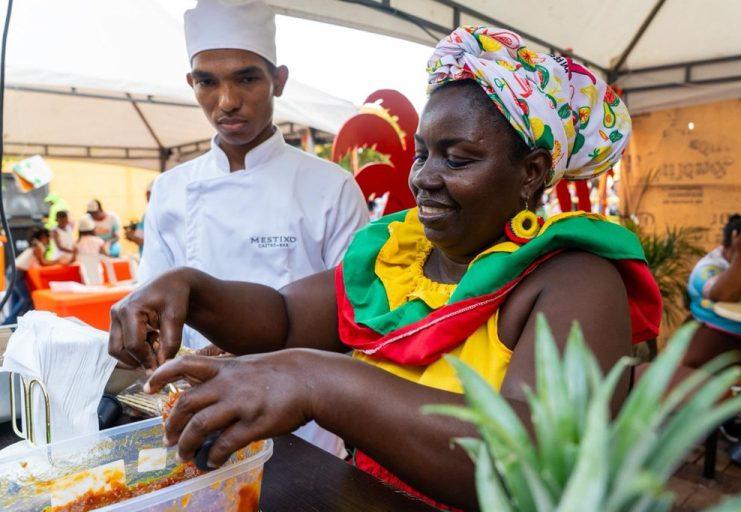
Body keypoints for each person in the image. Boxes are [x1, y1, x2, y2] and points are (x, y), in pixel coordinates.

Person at [110, 26, 661, 510]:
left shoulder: (574, 280)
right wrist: (191, 288)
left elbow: (531, 465)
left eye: (457, 158)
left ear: (532, 172)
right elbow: (284, 318)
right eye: (423, 153)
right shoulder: (401, 258)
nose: (423, 177)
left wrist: (316, 380)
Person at [136, 0, 367, 456]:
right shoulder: (170, 190)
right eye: (207, 81)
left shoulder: (331, 187)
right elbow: (154, 309)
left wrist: (248, 359)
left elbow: (356, 319)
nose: (227, 101)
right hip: (198, 413)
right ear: (192, 83)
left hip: (307, 426)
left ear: (278, 80)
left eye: (246, 79)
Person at [684, 215, 741, 367]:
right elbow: (726, 296)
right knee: (694, 363)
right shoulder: (707, 267)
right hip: (722, 331)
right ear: (725, 246)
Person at [3, 227, 57, 324]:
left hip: (13, 270)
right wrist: (58, 261)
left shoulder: (35, 244)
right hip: (17, 272)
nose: (48, 239)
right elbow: (43, 263)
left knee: (16, 298)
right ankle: (7, 322)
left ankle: (12, 323)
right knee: (26, 298)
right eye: (47, 237)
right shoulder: (38, 246)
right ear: (43, 237)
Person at [125, 180, 153, 255]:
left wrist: (131, 235)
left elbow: (144, 240)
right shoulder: (148, 214)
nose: (147, 198)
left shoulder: (149, 215)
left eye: (148, 194)